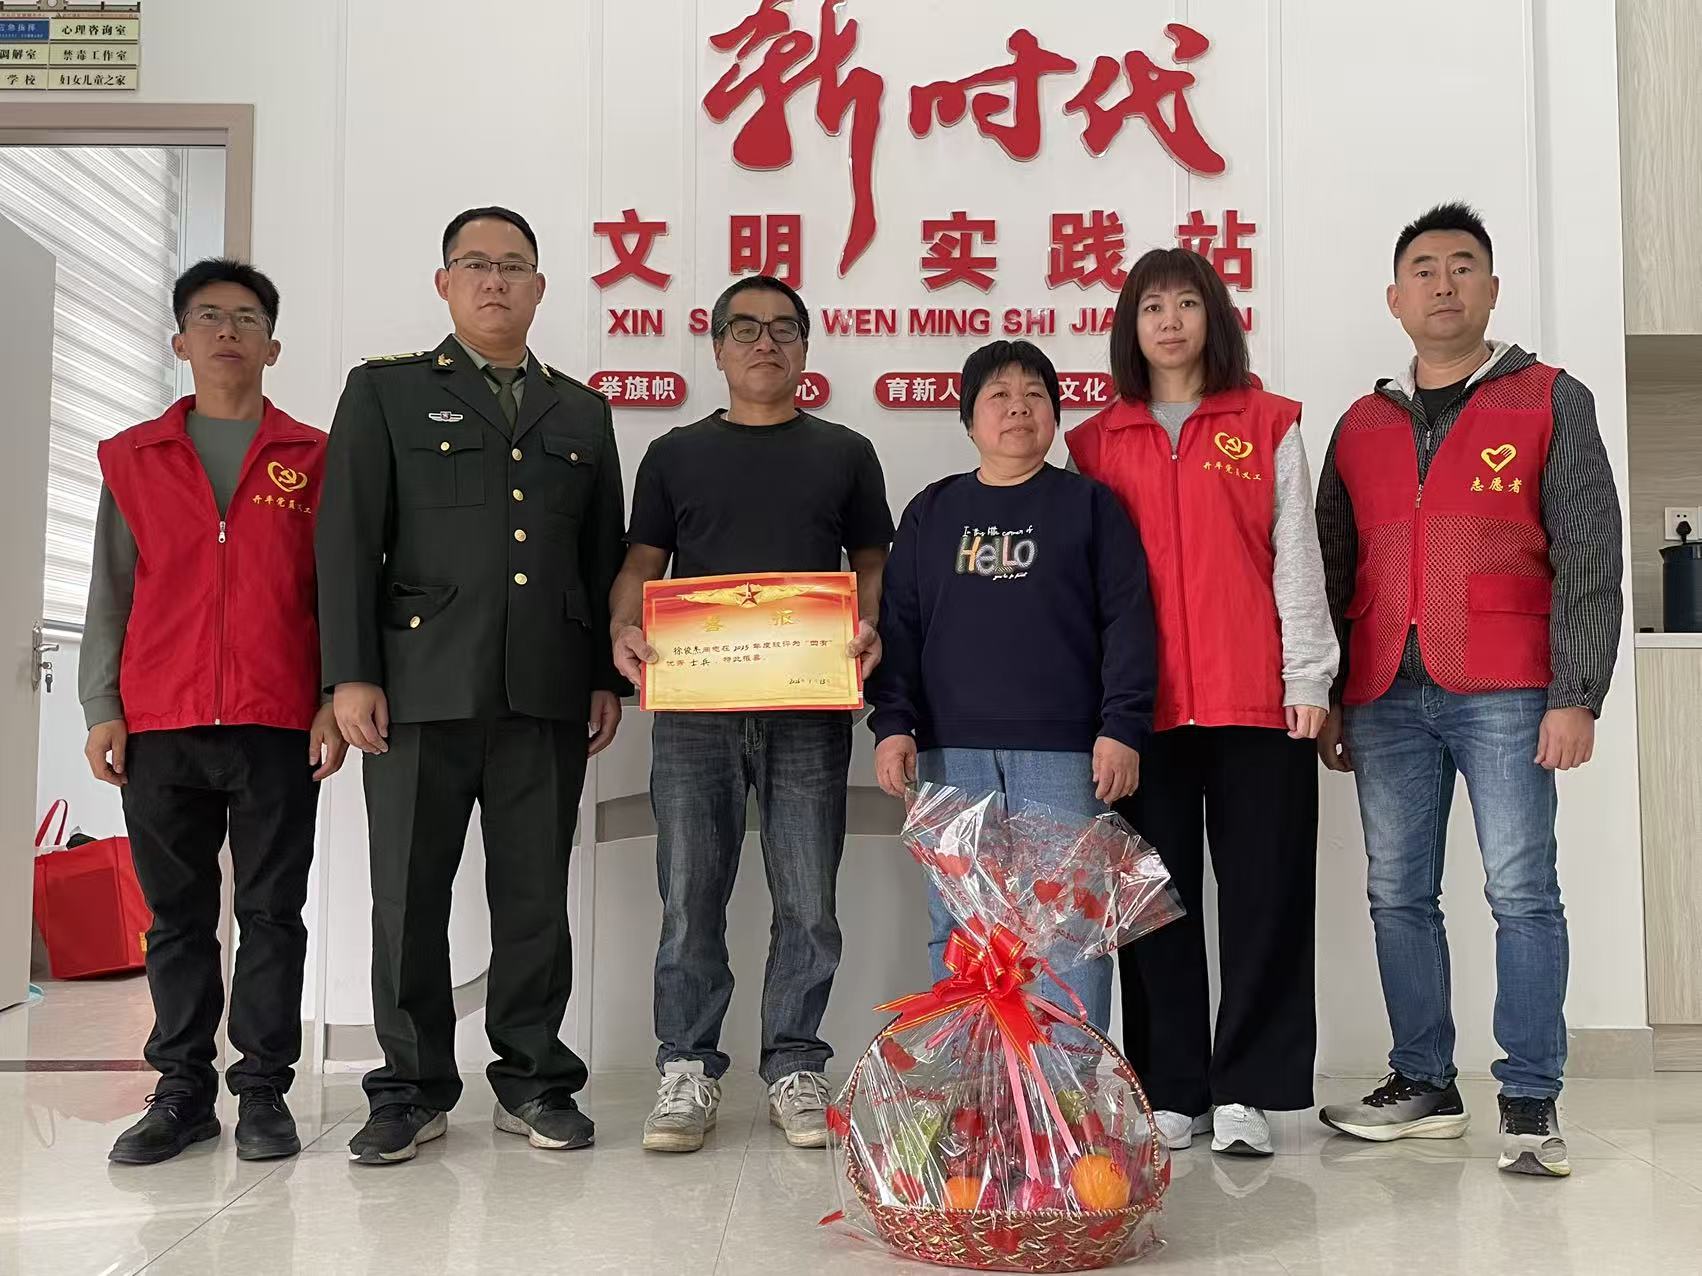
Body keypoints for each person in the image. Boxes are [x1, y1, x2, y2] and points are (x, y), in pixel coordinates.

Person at [1315, 203, 1623, 1179]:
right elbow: (1329, 565)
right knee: (1396, 892)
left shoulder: (1548, 399)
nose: (1442, 283)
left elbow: (1589, 550)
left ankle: (1529, 1098)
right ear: (1394, 298)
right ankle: (1424, 1082)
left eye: (1461, 265)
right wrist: (1329, 692)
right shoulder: (1360, 424)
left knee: (1521, 890)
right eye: (1424, 268)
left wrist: (1576, 691)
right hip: (1382, 691)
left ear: (1491, 288)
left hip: (1508, 688)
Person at [317, 206, 627, 1165]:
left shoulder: (581, 411)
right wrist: (349, 674)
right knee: (408, 897)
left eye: (514, 266)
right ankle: (408, 1089)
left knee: (534, 898)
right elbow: (345, 540)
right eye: (477, 263)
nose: (496, 280)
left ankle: (534, 1081)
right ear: (444, 282)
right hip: (418, 688)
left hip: (545, 690)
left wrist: (601, 678)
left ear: (540, 288)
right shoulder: (387, 392)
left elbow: (600, 558)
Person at [609, 274, 892, 1154]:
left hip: (808, 708)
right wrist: (623, 627)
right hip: (696, 710)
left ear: (805, 348)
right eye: (745, 328)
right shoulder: (675, 454)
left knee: (808, 900)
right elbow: (641, 565)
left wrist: (869, 626)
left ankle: (796, 1064)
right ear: (718, 347)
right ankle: (687, 1066)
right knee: (690, 898)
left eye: (782, 329)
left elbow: (872, 563)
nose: (764, 342)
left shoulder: (846, 452)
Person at [1068, 247, 1338, 1158]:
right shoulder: (1095, 443)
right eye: (1152, 307)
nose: (1171, 321)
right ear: (1131, 327)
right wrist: (1100, 708)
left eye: (1187, 303)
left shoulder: (1267, 422)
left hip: (1258, 701)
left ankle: (1249, 1091)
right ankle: (1172, 1086)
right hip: (1143, 713)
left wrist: (1308, 676)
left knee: (1266, 897)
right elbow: (1086, 590)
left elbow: (1296, 553)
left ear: (1214, 318)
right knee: (1154, 904)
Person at [85, 259, 347, 1166]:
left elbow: (335, 592)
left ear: (273, 346)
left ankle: (264, 1089)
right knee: (178, 918)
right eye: (208, 317)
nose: (227, 331)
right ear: (180, 341)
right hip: (161, 716)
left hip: (278, 717)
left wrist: (330, 698)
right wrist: (102, 703)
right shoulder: (134, 458)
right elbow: (111, 592)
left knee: (273, 912)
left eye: (246, 318)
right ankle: (182, 1091)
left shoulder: (316, 457)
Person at [869, 339, 1155, 1034]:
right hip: (950, 754)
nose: (1018, 408)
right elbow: (899, 626)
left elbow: (1128, 622)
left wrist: (1122, 727)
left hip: (1066, 754)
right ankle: (976, 1082)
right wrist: (893, 724)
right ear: (969, 419)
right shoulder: (932, 511)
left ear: (1055, 414)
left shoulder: (1090, 506)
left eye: (1034, 395)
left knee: (1071, 933)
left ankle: (1068, 1086)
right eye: (999, 395)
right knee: (961, 930)